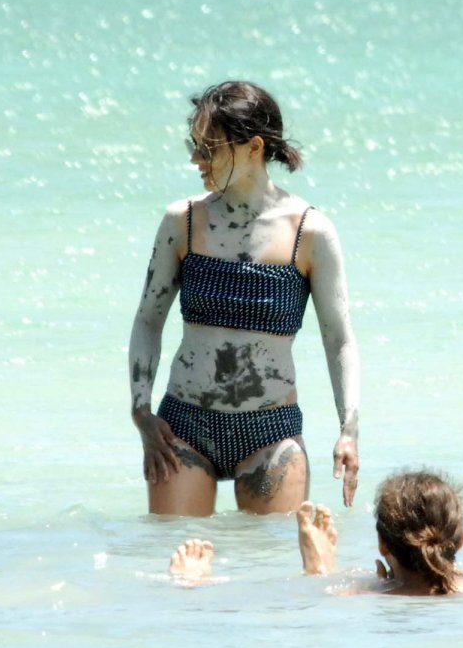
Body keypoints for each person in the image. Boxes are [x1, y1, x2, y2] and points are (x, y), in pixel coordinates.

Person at [129, 81, 359, 516]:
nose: (196, 159)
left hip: (271, 432)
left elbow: (339, 339)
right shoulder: (183, 221)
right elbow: (148, 320)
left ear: (254, 147)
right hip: (182, 427)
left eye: (208, 148)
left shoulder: (309, 231)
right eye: (194, 145)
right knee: (174, 552)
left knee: (272, 556)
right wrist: (141, 412)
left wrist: (349, 429)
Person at [168, 469, 463, 596]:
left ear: (383, 544)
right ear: (459, 540)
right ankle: (319, 569)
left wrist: (194, 584)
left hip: (354, 592)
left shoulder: (359, 594)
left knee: (320, 588)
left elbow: (255, 598)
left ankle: (319, 569)